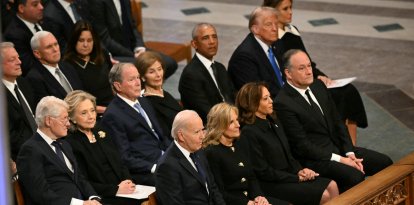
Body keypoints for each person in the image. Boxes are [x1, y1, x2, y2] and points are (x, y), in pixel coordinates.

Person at [275, 49, 393, 192]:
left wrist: (350, 153)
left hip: (340, 149)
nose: (309, 71)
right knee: (355, 176)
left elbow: (338, 122)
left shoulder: (318, 86)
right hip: (317, 159)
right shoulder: (283, 103)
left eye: (309, 65)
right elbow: (302, 146)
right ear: (288, 73)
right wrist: (341, 160)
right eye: (302, 68)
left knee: (385, 163)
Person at [263, 0, 367, 144]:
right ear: (272, 11)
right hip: (298, 83)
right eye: (285, 9)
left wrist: (321, 76)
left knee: (349, 91)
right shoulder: (274, 39)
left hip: (309, 76)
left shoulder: (292, 31)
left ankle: (352, 146)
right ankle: (340, 142)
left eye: (291, 8)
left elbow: (308, 62)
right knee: (340, 95)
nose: (290, 12)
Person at [236, 82, 338, 204]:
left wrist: (300, 170)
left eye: (270, 96)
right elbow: (263, 171)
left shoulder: (273, 121)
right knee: (324, 195)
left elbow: (288, 154)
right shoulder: (249, 132)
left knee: (332, 185)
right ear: (252, 103)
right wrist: (296, 178)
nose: (271, 101)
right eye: (265, 99)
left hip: (289, 175)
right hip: (272, 183)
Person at [16, 96, 102, 205]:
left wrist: (93, 197)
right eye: (64, 118)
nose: (68, 124)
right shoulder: (30, 150)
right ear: (48, 121)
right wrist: (80, 204)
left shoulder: (64, 144)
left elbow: (79, 177)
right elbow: (41, 194)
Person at [64, 90, 141, 205]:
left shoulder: (101, 131)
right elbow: (83, 181)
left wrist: (128, 180)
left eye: (92, 110)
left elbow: (120, 162)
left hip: (123, 189)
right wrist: (115, 190)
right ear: (72, 118)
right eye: (84, 113)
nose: (91, 116)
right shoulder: (71, 143)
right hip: (103, 196)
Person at [101, 63, 171, 186]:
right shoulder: (113, 115)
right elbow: (124, 157)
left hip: (165, 158)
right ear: (118, 86)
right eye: (131, 79)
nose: (138, 83)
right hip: (146, 170)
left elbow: (160, 135)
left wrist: (174, 153)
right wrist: (154, 167)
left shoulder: (144, 102)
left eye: (138, 77)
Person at [203, 103, 288, 205]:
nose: (238, 125)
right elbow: (220, 192)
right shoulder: (212, 152)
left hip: (253, 199)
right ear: (220, 126)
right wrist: (247, 203)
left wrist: (259, 196)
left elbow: (251, 177)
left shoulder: (241, 143)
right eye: (231, 122)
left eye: (237, 120)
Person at [88, 0, 177, 79]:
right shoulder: (97, 2)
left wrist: (140, 47)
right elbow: (106, 40)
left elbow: (133, 26)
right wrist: (133, 54)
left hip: (132, 48)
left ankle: (149, 92)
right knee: (147, 68)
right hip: (115, 54)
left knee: (170, 63)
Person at [155, 110, 226, 205]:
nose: (202, 136)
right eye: (197, 132)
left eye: (202, 130)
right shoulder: (167, 166)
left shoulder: (199, 151)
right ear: (181, 136)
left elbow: (213, 188)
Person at [179, 23, 235, 123]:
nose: (212, 42)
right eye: (205, 38)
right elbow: (205, 112)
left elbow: (231, 96)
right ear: (194, 44)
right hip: (211, 127)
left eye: (214, 37)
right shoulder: (191, 75)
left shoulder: (220, 67)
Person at [228, 7, 283, 98]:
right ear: (255, 29)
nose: (275, 28)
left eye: (276, 24)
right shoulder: (244, 57)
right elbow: (257, 95)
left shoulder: (277, 43)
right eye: (269, 24)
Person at [63, 20, 113, 115]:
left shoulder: (102, 55)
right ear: (74, 41)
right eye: (81, 40)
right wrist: (106, 110)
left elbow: (113, 82)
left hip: (113, 105)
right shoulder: (67, 64)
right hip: (92, 113)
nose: (86, 45)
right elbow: (77, 100)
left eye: (89, 40)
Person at [25, 31, 83, 105]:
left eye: (56, 44)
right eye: (49, 47)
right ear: (37, 54)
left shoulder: (68, 67)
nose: (55, 49)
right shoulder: (34, 78)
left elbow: (82, 93)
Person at [2, 42, 36, 161]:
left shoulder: (24, 83)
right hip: (23, 155)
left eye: (18, 57)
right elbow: (9, 136)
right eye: (12, 60)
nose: (19, 62)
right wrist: (40, 145)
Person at [135, 51, 182, 137]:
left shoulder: (162, 92)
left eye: (159, 69)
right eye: (151, 72)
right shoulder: (147, 103)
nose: (158, 75)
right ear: (142, 77)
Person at [3, 0, 44, 76]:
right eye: (35, 5)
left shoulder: (47, 22)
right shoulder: (14, 34)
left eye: (41, 3)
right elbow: (27, 65)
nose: (41, 7)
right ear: (21, 8)